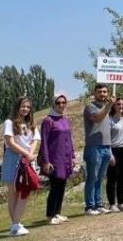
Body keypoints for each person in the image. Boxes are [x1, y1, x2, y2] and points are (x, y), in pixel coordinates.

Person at [3, 97, 40, 236]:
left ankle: (15, 224)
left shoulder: (31, 123)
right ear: (17, 107)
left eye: (28, 107)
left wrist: (30, 154)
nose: (25, 109)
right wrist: (26, 153)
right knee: (14, 191)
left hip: (26, 159)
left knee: (26, 189)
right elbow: (10, 142)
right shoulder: (9, 122)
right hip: (13, 157)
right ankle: (15, 225)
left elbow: (35, 140)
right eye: (23, 106)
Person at [39, 94, 74, 226]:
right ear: (54, 104)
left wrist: (73, 156)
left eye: (63, 102)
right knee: (55, 187)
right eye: (58, 102)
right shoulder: (48, 120)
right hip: (54, 159)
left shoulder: (65, 119)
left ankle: (57, 213)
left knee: (62, 186)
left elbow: (69, 139)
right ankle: (50, 215)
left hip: (65, 158)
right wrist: (46, 161)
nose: (61, 105)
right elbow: (44, 143)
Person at [82, 84, 113, 215]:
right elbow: (97, 118)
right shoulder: (90, 107)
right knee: (92, 177)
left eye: (105, 92)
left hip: (106, 146)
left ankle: (98, 204)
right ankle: (90, 207)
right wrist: (108, 106)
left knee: (100, 178)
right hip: (94, 147)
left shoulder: (106, 108)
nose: (102, 94)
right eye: (99, 92)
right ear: (94, 93)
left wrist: (110, 149)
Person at [105, 97, 123, 212]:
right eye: (118, 104)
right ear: (114, 106)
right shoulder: (109, 120)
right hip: (114, 150)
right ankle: (112, 204)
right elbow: (106, 138)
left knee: (122, 177)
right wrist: (110, 154)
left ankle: (121, 203)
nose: (121, 106)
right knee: (112, 178)